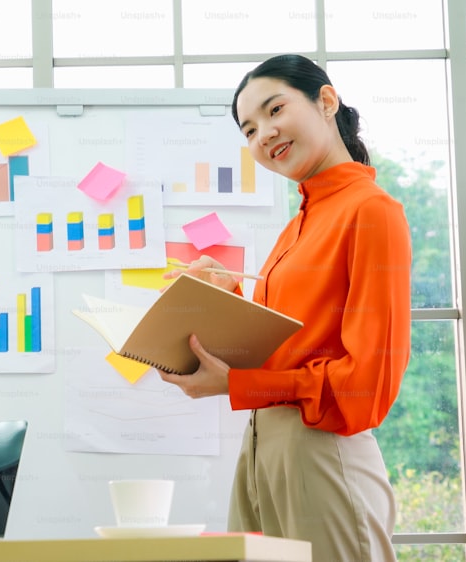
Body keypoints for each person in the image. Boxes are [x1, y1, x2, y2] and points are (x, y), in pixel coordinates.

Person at [160, 54, 411, 562]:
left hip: (323, 453)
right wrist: (222, 296)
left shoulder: (371, 212)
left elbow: (367, 389)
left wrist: (237, 386)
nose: (264, 135)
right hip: (261, 453)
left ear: (326, 100)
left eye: (275, 110)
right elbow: (282, 354)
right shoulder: (295, 225)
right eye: (250, 130)